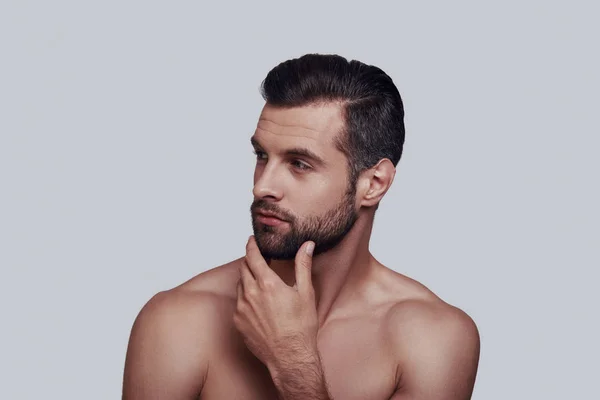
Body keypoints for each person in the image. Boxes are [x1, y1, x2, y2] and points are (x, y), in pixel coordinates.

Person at [122, 53, 480, 399]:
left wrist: (293, 361)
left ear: (373, 184)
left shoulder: (434, 339)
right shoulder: (178, 321)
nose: (262, 186)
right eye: (262, 156)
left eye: (299, 164)